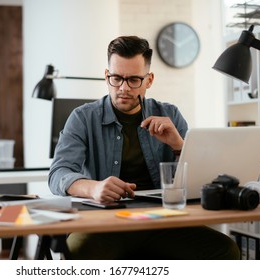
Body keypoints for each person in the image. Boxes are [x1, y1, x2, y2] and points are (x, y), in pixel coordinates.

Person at [48, 35, 240, 260]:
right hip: (104, 225)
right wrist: (93, 188)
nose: (123, 88)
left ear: (149, 80)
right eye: (116, 78)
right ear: (106, 76)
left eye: (133, 80)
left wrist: (179, 145)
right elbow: (58, 174)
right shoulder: (82, 118)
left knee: (225, 251)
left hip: (162, 222)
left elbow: (200, 181)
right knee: (78, 252)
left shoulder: (171, 115)